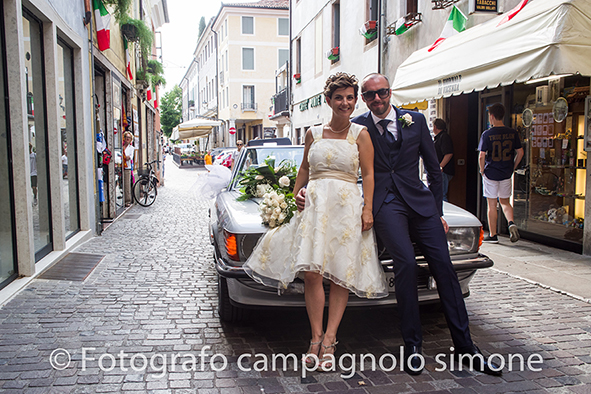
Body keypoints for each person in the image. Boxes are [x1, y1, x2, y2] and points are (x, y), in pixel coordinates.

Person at [297, 73, 501, 376]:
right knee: (404, 264)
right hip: (386, 205)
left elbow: (433, 169)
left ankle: (466, 347)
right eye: (369, 95)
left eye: (382, 93)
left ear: (390, 93)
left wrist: (437, 211)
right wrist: (305, 191)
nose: (377, 100)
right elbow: (335, 164)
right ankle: (413, 346)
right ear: (363, 99)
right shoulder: (358, 125)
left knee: (444, 267)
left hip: (421, 205)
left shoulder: (415, 121)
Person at [244, 73, 387, 372]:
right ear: (329, 101)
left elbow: (370, 175)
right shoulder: (313, 133)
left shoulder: (360, 134)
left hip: (347, 207)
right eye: (339, 98)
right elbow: (304, 170)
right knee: (311, 273)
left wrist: (367, 210)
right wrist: (295, 197)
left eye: (350, 97)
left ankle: (330, 339)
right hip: (315, 207)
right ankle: (315, 336)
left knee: (339, 274)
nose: (345, 103)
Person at [478, 103, 524, 243]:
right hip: (506, 172)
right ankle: (511, 223)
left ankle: (493, 235)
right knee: (505, 201)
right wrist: (513, 166)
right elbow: (520, 152)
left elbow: (482, 155)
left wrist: (482, 170)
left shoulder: (487, 134)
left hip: (491, 172)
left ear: (491, 116)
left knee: (492, 204)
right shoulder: (512, 133)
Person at [433, 118, 454, 202]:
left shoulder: (444, 137)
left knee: (442, 194)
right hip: (442, 170)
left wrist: (440, 166)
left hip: (443, 171)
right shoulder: (440, 137)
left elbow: (448, 153)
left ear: (435, 127)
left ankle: (444, 213)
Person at [122, 131, 135, 207]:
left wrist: (126, 157)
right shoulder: (122, 146)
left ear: (131, 139)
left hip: (127, 167)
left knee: (127, 184)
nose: (127, 139)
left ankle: (127, 200)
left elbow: (130, 157)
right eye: (126, 137)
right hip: (121, 167)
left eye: (129, 138)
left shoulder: (131, 148)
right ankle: (122, 200)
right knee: (121, 184)